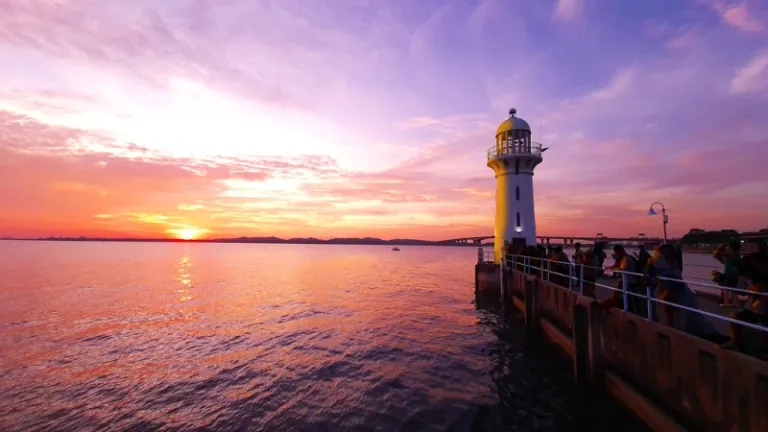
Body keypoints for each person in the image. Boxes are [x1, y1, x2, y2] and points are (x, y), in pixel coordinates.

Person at [713, 241, 742, 307]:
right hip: (735, 274)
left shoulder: (730, 254)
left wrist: (721, 248)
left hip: (729, 273)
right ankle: (735, 303)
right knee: (733, 289)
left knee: (725, 288)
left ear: (731, 248)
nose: (728, 248)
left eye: (729, 247)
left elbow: (718, 253)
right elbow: (723, 261)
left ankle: (726, 303)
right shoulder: (738, 254)